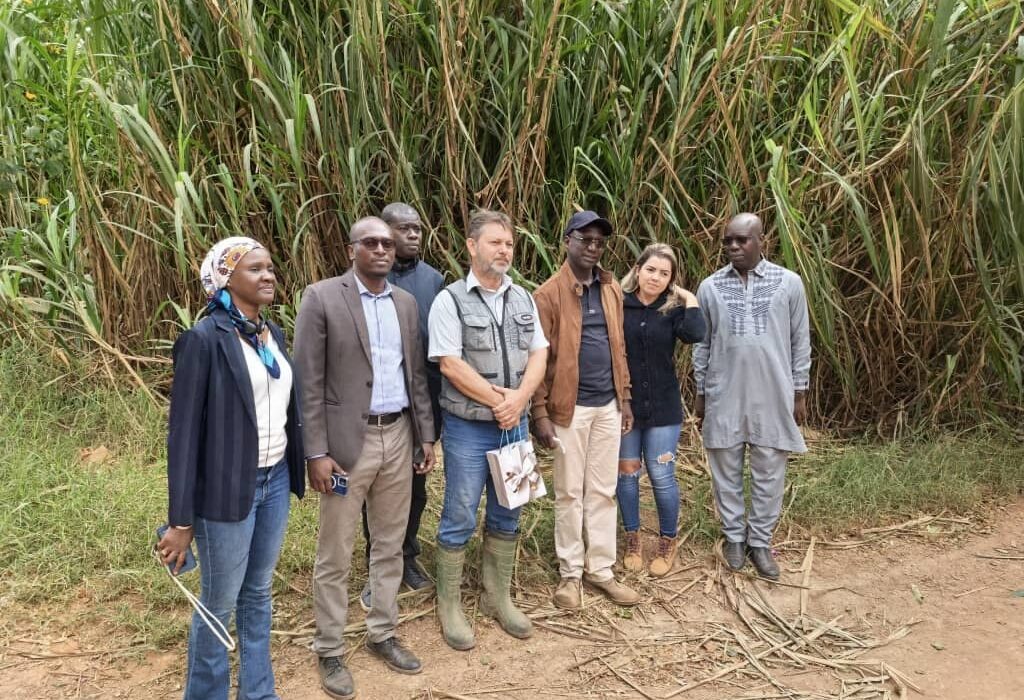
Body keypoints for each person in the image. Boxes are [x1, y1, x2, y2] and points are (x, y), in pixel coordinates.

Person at [293, 217, 436, 698]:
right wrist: (316, 451)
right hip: (344, 450)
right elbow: (308, 384)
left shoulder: (406, 303)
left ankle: (382, 632)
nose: (381, 249)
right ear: (352, 248)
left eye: (387, 244)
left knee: (390, 543)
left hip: (397, 436)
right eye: (371, 242)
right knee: (335, 550)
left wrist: (426, 437)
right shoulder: (322, 297)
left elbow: (415, 375)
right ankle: (330, 646)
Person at [158, 236, 306, 700]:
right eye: (254, 269)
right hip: (225, 489)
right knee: (218, 604)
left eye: (270, 268)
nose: (268, 276)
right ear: (225, 278)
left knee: (258, 593)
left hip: (275, 480)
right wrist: (181, 521)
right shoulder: (203, 340)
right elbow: (182, 439)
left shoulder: (272, 334)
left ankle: (258, 693)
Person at [427, 209, 549, 651]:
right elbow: (450, 364)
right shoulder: (451, 300)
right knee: (460, 512)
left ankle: (499, 596)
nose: (504, 250)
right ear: (471, 246)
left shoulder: (524, 298)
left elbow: (539, 354)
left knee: (509, 509)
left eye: (509, 243)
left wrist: (518, 401)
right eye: (495, 242)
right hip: (468, 429)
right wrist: (500, 401)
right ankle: (451, 606)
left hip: (514, 428)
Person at [532, 210, 641, 609]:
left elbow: (619, 348)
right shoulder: (547, 294)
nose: (593, 247)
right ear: (567, 242)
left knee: (602, 491)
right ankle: (570, 575)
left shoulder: (611, 288)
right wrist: (539, 413)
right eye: (585, 240)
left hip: (608, 407)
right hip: (569, 410)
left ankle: (601, 571)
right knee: (568, 493)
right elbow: (538, 360)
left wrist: (624, 398)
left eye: (599, 242)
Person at [693, 213, 811, 580]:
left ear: (762, 241)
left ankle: (760, 541)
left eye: (742, 240)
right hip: (724, 390)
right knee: (725, 467)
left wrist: (800, 391)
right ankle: (733, 537)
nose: (733, 246)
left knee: (769, 470)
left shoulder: (789, 283)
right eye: (728, 240)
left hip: (773, 392)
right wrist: (700, 392)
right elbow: (702, 343)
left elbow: (799, 340)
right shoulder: (710, 287)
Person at [358, 202, 445, 610]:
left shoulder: (434, 280)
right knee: (372, 491)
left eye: (417, 229)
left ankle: (407, 555)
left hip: (422, 401)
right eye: (403, 229)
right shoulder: (369, 278)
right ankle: (376, 561)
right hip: (373, 404)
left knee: (416, 488)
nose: (412, 235)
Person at [617, 243, 706, 577]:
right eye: (650, 269)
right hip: (627, 407)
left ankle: (668, 541)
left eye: (664, 273)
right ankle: (633, 538)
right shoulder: (619, 304)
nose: (655, 277)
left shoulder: (673, 309)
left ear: (671, 280)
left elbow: (697, 333)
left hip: (664, 407)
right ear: (638, 269)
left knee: (661, 475)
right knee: (627, 475)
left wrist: (688, 297)